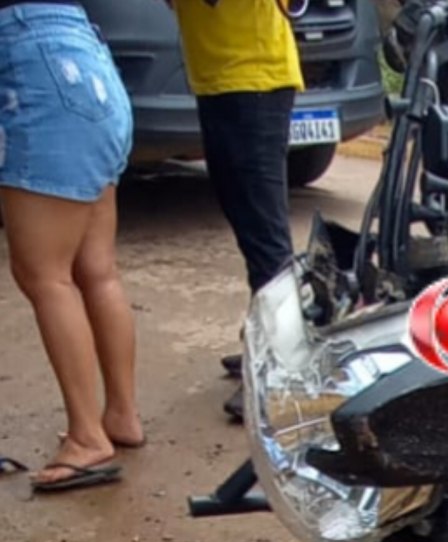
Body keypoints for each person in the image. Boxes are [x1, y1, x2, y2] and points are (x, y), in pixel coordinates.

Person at [0, 0, 142, 492]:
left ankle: (86, 437)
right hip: (87, 64)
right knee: (95, 269)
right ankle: (120, 414)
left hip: (35, 71)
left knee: (44, 274)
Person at [169, 0, 303, 418]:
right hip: (219, 80)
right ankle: (266, 345)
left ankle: (284, 373)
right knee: (248, 223)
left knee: (265, 235)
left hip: (255, 80)